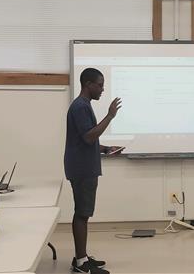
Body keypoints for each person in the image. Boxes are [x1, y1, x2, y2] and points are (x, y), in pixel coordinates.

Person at [64, 68, 123, 274]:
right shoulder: (80, 107)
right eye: (99, 84)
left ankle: (82, 256)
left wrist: (105, 148)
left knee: (83, 213)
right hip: (82, 169)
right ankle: (81, 263)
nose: (102, 89)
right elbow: (89, 136)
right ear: (88, 84)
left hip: (83, 166)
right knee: (82, 213)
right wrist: (110, 116)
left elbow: (86, 139)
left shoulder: (84, 105)